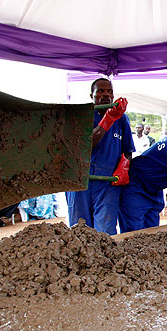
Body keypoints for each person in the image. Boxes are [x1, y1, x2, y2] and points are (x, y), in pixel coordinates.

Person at [65, 78, 134, 235]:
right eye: (100, 91)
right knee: (80, 229)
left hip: (107, 182)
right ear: (92, 95)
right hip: (80, 181)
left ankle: (106, 259)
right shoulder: (82, 115)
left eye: (109, 92)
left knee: (106, 230)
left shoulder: (122, 118)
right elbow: (87, 144)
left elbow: (128, 151)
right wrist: (107, 119)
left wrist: (124, 166)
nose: (106, 95)